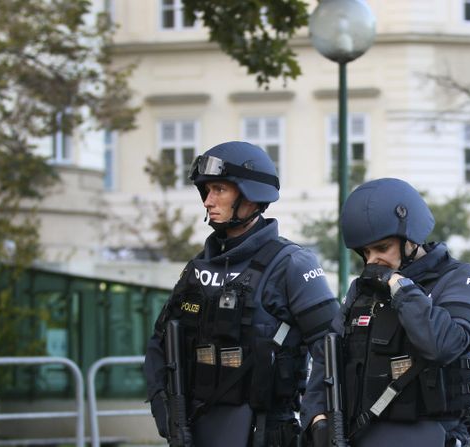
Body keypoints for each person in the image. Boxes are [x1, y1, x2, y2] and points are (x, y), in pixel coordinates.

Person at [144, 141, 339, 447]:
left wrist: (319, 418)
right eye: (206, 191)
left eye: (219, 189)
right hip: (194, 430)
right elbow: (160, 342)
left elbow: (332, 348)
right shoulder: (197, 268)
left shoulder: (291, 265)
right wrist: (164, 407)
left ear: (251, 195)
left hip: (266, 433)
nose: (208, 201)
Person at [301, 178, 470, 447]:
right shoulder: (362, 291)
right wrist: (317, 421)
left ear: (411, 240)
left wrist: (400, 288)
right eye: (366, 252)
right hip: (359, 435)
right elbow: (326, 361)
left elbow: (443, 345)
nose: (372, 261)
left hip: (432, 434)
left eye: (382, 248)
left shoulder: (460, 280)